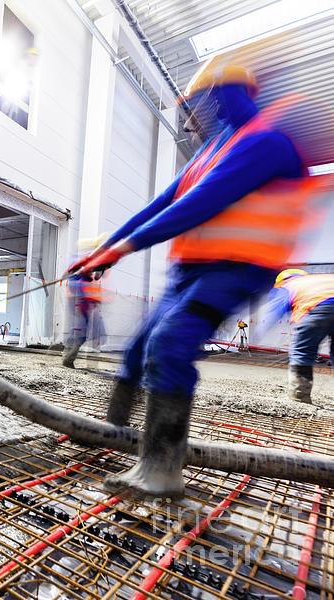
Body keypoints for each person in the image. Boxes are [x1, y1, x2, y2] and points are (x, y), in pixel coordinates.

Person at [67, 59, 324, 497]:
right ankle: (113, 432)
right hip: (189, 273)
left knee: (169, 345)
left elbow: (204, 201)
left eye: (203, 99)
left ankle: (161, 469)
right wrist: (103, 248)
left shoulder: (265, 141)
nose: (195, 111)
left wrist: (121, 250)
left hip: (235, 272)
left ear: (223, 94)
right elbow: (159, 205)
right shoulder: (212, 148)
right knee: (136, 351)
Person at [262, 269, 334, 403]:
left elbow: (275, 311)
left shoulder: (289, 285)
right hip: (324, 304)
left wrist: (260, 331)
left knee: (302, 352)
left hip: (318, 309)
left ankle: (300, 396)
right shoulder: (322, 279)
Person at [63, 236, 108, 368]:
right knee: (79, 331)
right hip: (79, 299)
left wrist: (101, 267)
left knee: (84, 331)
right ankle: (68, 357)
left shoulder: (95, 261)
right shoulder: (81, 260)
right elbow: (68, 276)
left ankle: (68, 354)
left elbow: (97, 276)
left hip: (84, 301)